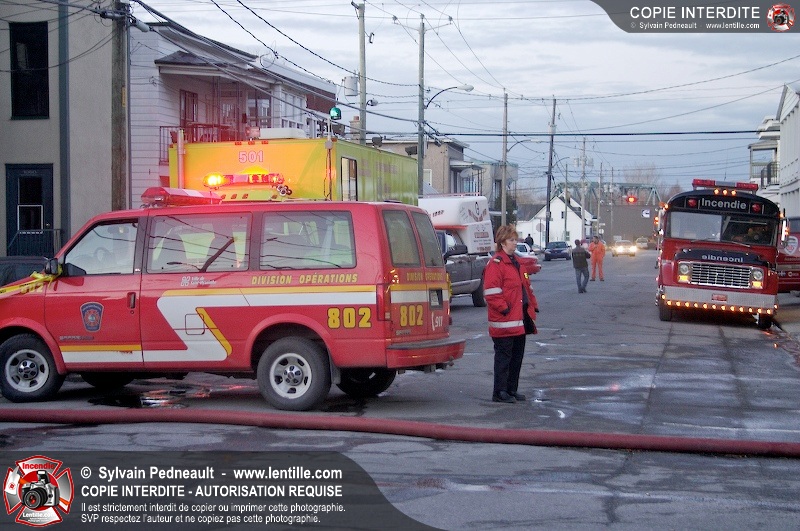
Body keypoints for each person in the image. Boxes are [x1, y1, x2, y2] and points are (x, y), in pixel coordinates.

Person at [483, 225, 539, 404]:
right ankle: (500, 392)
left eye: (516, 240)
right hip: (504, 320)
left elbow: (526, 288)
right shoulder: (496, 264)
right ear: (502, 242)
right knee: (504, 358)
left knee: (516, 357)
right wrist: (504, 308)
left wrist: (533, 306)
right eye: (511, 240)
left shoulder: (516, 263)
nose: (515, 243)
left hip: (519, 319)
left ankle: (511, 389)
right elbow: (491, 292)